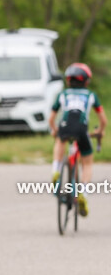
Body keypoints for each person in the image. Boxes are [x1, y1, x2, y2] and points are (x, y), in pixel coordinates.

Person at [49, 62, 106, 216]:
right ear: (86, 81)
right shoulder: (90, 95)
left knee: (60, 141)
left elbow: (51, 118)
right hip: (81, 129)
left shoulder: (63, 94)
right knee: (87, 162)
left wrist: (54, 130)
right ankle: (84, 193)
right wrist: (100, 131)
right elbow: (103, 120)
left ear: (68, 80)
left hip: (65, 127)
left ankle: (56, 170)